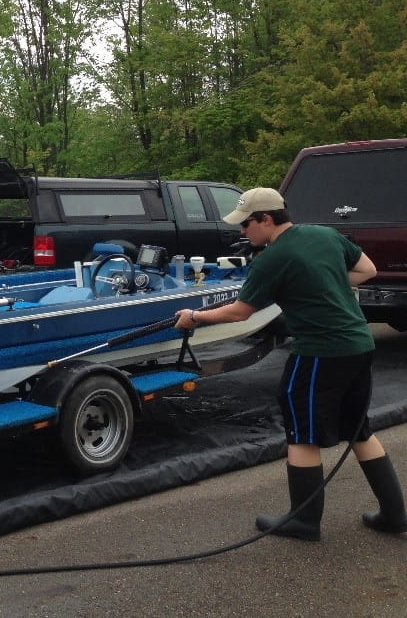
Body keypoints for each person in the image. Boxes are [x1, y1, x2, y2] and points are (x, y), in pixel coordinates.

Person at [174, 187, 407, 540]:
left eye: (246, 224)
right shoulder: (324, 234)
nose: (242, 232)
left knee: (300, 431)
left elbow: (240, 311)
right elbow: (368, 269)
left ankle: (304, 521)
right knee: (359, 428)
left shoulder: (272, 258)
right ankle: (395, 516)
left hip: (319, 351)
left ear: (266, 219)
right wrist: (323, 284)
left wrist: (194, 316)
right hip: (359, 344)